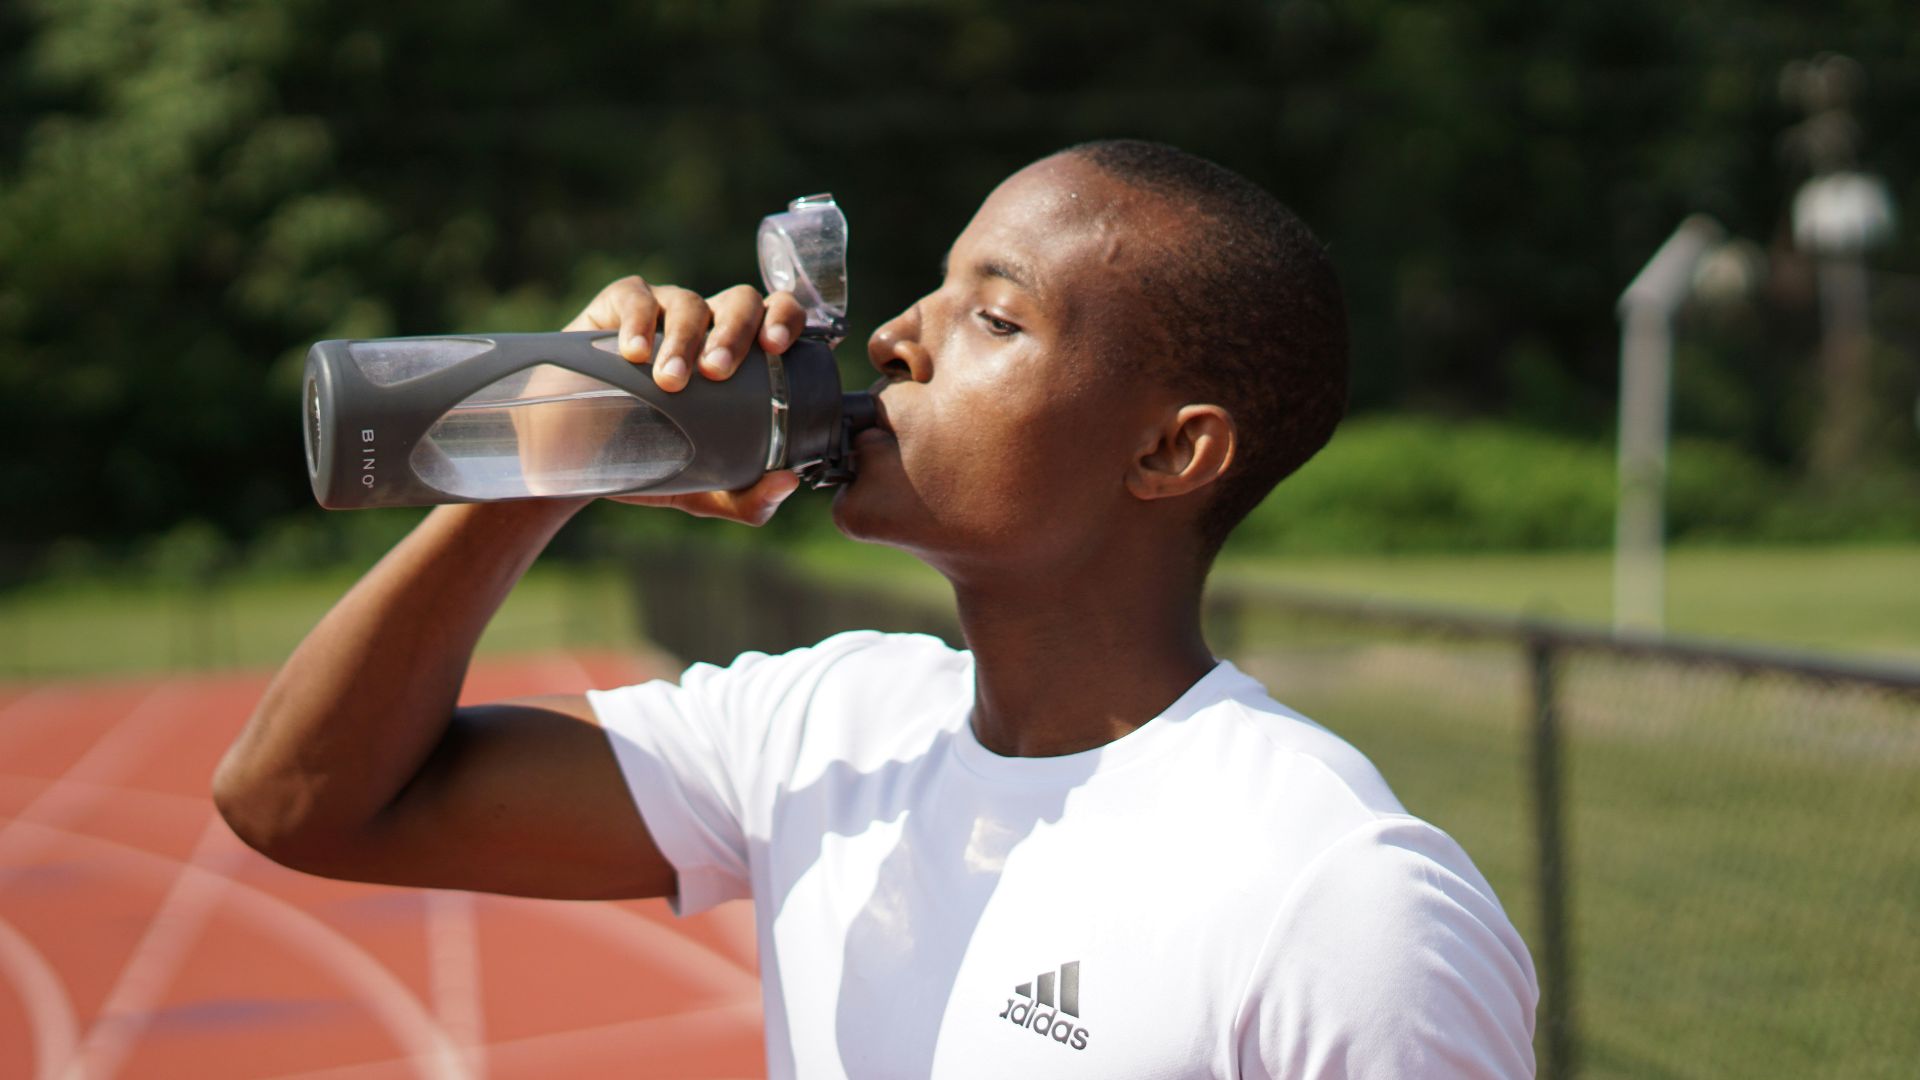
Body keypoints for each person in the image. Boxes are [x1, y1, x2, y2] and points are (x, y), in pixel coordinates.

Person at [215, 139, 1538, 1078]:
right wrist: (559, 442)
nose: (899, 337)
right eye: (933, 287)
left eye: (996, 319)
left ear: (1168, 454)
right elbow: (301, 800)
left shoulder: (1338, 898)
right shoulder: (828, 725)